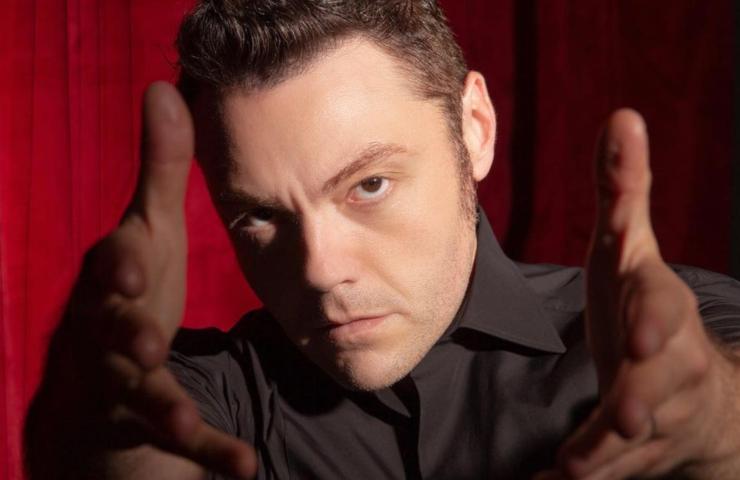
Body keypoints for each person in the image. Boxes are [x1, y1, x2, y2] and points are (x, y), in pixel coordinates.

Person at [23, 1, 740, 479]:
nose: (319, 270)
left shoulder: (681, 331)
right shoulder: (210, 399)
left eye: (368, 184)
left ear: (475, 129)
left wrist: (713, 425)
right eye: (260, 217)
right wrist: (90, 440)